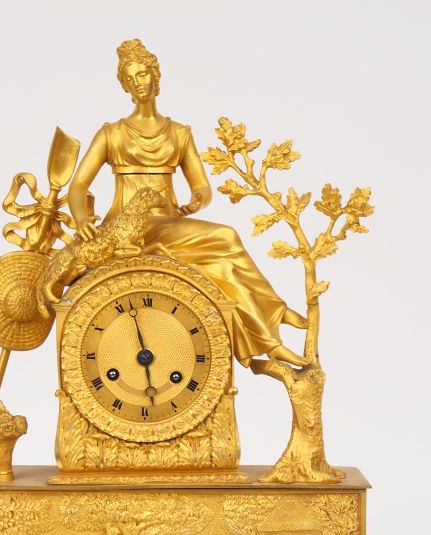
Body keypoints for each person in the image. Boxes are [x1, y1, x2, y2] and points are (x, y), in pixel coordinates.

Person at [66, 39, 310, 368]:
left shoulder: (179, 133)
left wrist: (197, 201)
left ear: (156, 76)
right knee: (226, 236)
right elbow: (78, 185)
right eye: (131, 78)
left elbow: (201, 186)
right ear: (124, 85)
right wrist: (81, 218)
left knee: (224, 270)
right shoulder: (112, 133)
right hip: (128, 227)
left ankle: (270, 339)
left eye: (143, 74)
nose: (139, 83)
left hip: (168, 223)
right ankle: (274, 312)